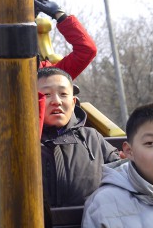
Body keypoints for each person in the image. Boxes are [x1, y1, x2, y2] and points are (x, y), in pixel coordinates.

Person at [38, 68, 120, 209]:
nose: (56, 101)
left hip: (88, 227)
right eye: (47, 94)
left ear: (73, 102)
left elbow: (121, 177)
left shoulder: (92, 138)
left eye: (63, 94)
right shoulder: (19, 141)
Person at [34, 0, 97, 79]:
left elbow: (86, 50)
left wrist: (60, 16)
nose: (57, 98)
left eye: (63, 93)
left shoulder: (50, 77)